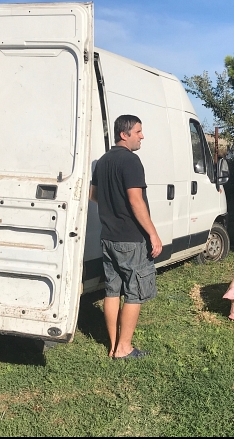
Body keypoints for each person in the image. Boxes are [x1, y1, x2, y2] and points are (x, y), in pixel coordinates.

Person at [89, 115, 163, 360]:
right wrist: (153, 234)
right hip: (131, 239)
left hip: (108, 236)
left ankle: (112, 345)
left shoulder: (103, 161)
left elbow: (94, 195)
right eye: (138, 131)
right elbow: (135, 200)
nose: (142, 136)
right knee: (135, 293)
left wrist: (112, 207)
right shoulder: (131, 161)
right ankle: (124, 348)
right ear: (124, 134)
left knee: (112, 291)